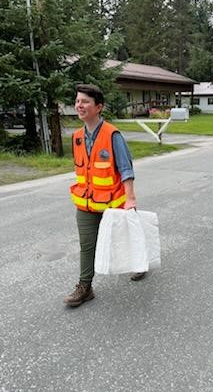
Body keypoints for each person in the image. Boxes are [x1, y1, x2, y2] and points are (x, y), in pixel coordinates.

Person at [64, 84, 146, 307]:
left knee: (124, 238)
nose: (79, 105)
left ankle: (138, 264)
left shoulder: (112, 135)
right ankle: (85, 286)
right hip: (86, 203)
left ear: (98, 107)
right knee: (87, 244)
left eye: (85, 102)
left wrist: (130, 199)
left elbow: (126, 168)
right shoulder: (77, 137)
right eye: (78, 101)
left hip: (113, 202)